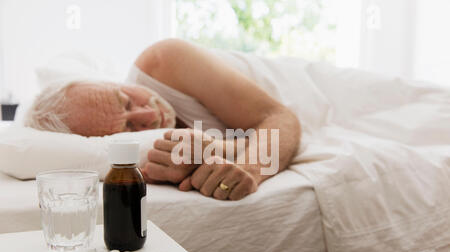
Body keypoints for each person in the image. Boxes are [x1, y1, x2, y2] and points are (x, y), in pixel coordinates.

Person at [25, 39, 301, 201]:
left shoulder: (165, 60)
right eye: (128, 127)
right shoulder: (143, 159)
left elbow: (278, 118)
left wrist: (250, 168)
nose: (148, 114)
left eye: (126, 100)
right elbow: (245, 139)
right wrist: (219, 152)